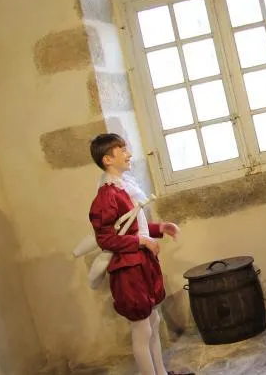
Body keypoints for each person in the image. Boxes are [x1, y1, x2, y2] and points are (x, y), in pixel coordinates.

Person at [89, 133, 191, 375]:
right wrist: (142, 241)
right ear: (107, 159)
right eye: (122, 150)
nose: (129, 154)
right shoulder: (107, 196)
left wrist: (159, 228)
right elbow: (105, 238)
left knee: (153, 322)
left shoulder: (123, 188)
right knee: (142, 329)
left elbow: (133, 226)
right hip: (128, 270)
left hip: (140, 263)